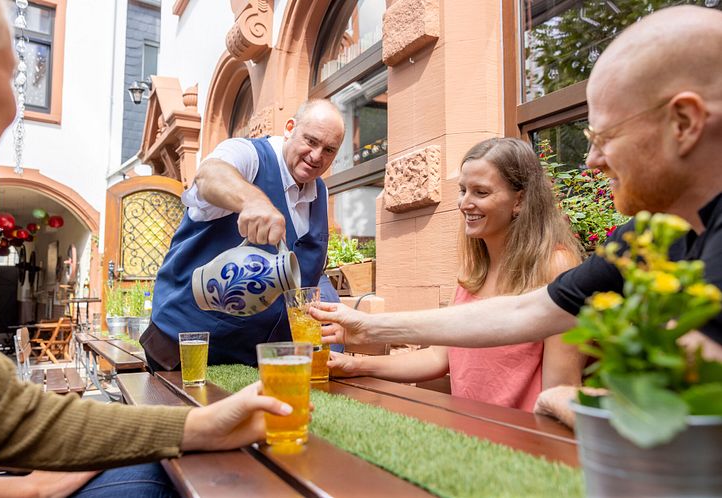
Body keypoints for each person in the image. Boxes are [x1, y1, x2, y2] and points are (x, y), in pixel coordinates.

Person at [310, 5, 722, 423]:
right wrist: (368, 329)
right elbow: (527, 312)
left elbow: (689, 400)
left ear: (684, 123)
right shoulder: (647, 239)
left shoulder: (563, 257)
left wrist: (573, 402)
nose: (593, 160)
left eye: (606, 136)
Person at [0, 0, 295, 494]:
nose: (19, 99)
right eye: (14, 67)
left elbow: (9, 414)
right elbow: (210, 174)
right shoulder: (245, 160)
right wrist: (30, 489)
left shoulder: (315, 199)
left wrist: (203, 428)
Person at [327, 138, 584, 410]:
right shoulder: (474, 270)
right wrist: (355, 364)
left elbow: (560, 390)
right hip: (468, 437)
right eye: (463, 190)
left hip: (523, 444)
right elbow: (439, 358)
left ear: (519, 200)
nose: (464, 203)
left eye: (481, 193)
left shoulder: (555, 265)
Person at [141, 99, 345, 371]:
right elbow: (209, 174)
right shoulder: (248, 154)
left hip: (252, 362)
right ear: (290, 128)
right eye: (311, 141)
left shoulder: (320, 193)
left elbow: (312, 274)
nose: (317, 156)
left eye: (329, 150)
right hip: (182, 349)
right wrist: (252, 201)